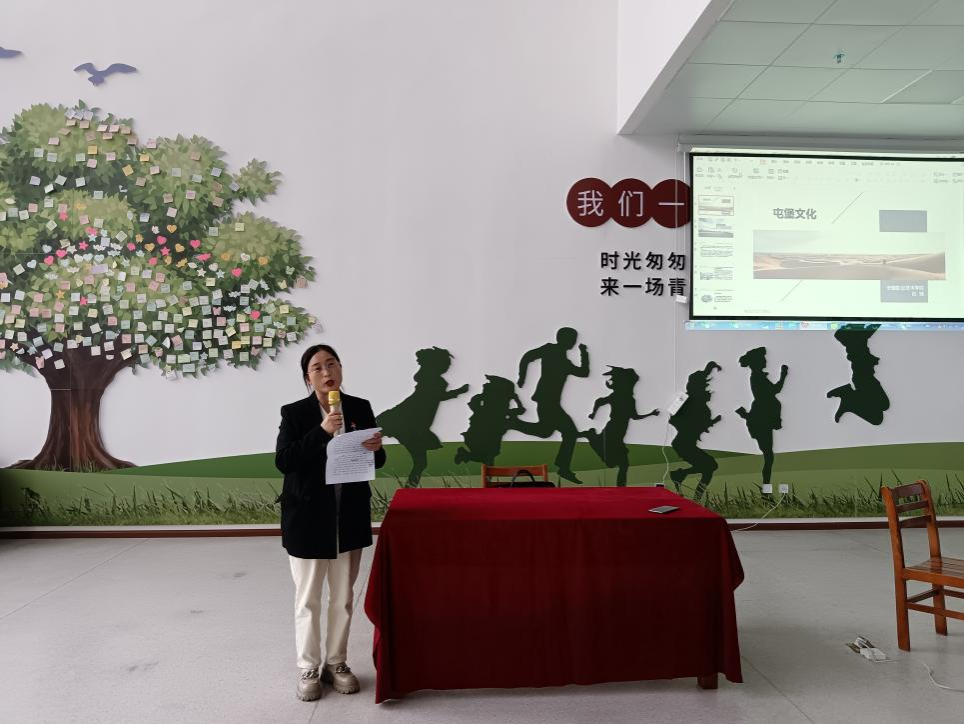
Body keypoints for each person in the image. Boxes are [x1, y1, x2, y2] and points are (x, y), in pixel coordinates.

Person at [275, 344, 385, 702]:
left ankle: (336, 662)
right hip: (307, 519)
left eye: (332, 364)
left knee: (342, 598)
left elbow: (376, 460)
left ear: (340, 369)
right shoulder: (294, 413)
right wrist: (322, 430)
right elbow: (285, 461)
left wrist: (376, 448)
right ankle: (309, 666)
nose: (327, 372)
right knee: (308, 599)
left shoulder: (360, 407)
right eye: (318, 367)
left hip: (347, 518)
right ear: (308, 378)